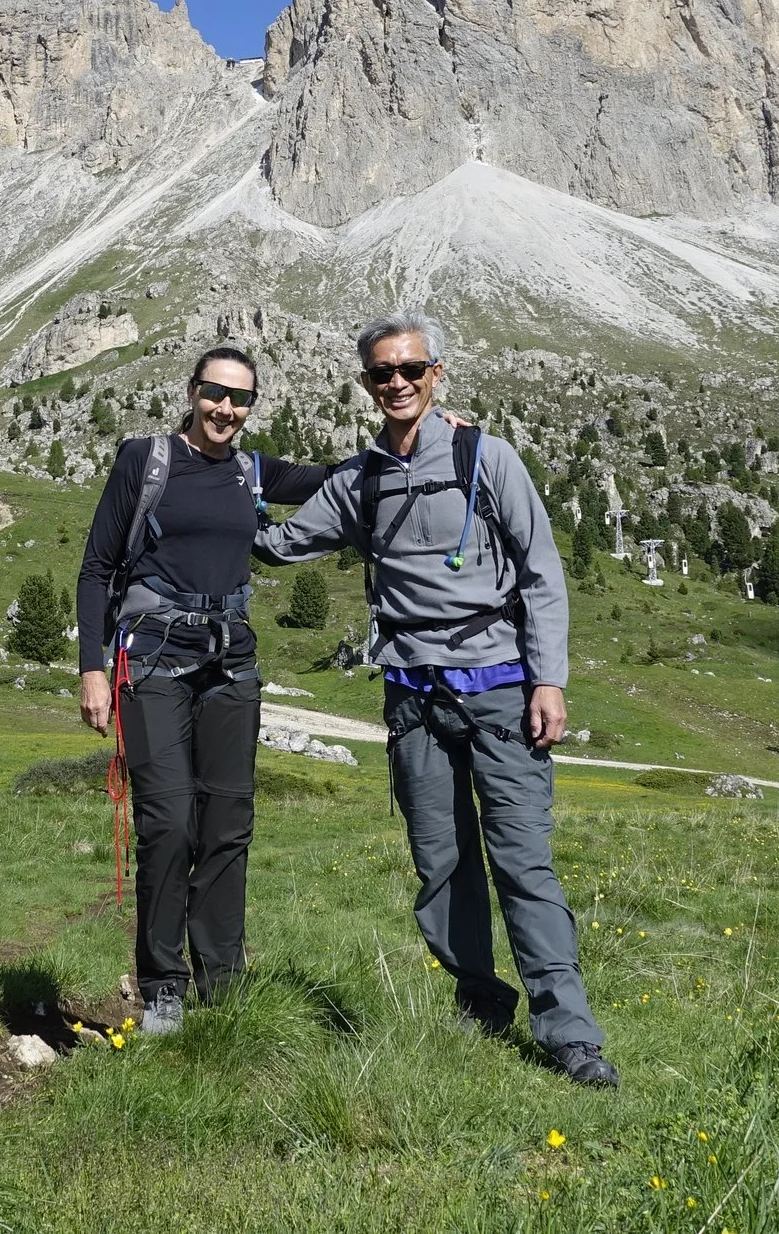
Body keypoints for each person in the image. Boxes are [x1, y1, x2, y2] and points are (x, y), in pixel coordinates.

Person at [252, 314, 618, 1088]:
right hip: (413, 697)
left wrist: (548, 679)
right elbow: (282, 544)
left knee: (523, 862)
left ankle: (571, 1035)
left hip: (501, 691)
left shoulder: (487, 456)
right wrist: (213, 474)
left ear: (436, 373)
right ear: (366, 384)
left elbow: (543, 571)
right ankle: (480, 1004)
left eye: (410, 369)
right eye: (382, 372)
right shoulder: (361, 479)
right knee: (442, 863)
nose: (397, 382)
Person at [74, 346, 331, 1036]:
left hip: (231, 666)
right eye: (215, 393)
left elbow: (333, 477)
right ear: (192, 391)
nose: (226, 408)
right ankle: (162, 986)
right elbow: (97, 567)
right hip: (151, 661)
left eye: (241, 398)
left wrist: (416, 438)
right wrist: (91, 666)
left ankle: (222, 986)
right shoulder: (146, 459)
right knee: (169, 824)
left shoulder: (252, 470)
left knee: (227, 824)